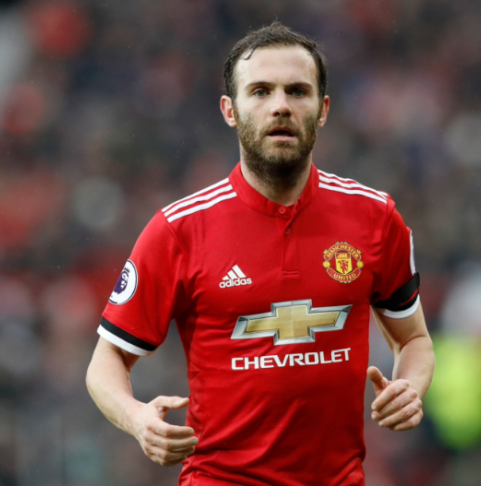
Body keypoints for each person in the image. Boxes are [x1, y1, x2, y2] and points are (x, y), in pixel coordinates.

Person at [86, 21, 435, 486]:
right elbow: (106, 361)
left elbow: (413, 339)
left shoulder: (374, 216)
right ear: (230, 110)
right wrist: (137, 419)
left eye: (297, 91)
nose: (281, 106)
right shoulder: (178, 230)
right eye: (261, 91)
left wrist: (410, 386)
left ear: (323, 109)